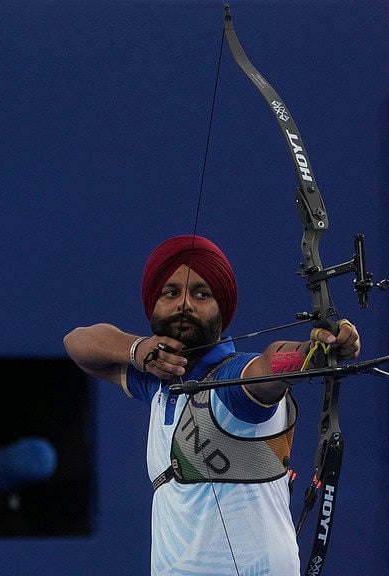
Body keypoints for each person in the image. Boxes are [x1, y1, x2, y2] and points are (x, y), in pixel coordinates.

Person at [63, 234, 361, 576]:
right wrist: (138, 349)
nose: (184, 304)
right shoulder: (159, 383)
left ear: (223, 308)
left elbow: (268, 365)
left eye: (201, 294)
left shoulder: (234, 382)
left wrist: (314, 352)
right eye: (171, 293)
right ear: (154, 305)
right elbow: (77, 344)